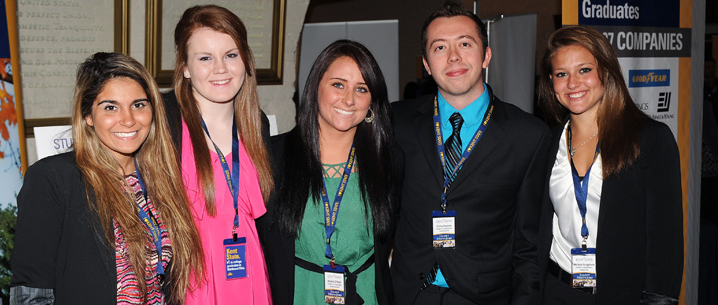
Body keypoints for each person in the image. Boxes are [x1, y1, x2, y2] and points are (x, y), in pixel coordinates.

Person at [10, 52, 203, 305]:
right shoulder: (54, 179)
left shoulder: (161, 178)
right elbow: (31, 292)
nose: (128, 119)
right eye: (110, 107)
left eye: (139, 104)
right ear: (88, 116)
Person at [391, 1, 550, 304]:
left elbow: (529, 245)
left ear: (486, 55)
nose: (453, 57)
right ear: (426, 63)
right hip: (409, 292)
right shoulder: (396, 123)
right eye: (439, 48)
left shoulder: (528, 135)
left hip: (483, 295)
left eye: (465, 43)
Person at [536, 25, 683, 304]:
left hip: (620, 294)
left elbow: (666, 239)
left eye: (584, 70)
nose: (572, 83)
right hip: (554, 289)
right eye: (561, 74)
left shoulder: (650, 139)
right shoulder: (546, 143)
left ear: (605, 71)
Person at [262, 40, 402, 305]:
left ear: (372, 101)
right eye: (338, 85)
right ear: (316, 87)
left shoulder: (390, 161)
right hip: (299, 295)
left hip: (365, 295)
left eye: (361, 89)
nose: (348, 99)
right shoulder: (275, 157)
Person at [162, 5, 274, 304]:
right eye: (205, 58)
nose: (221, 68)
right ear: (185, 66)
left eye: (231, 55)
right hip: (189, 282)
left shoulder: (256, 124)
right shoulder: (163, 121)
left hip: (249, 277)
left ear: (246, 60)